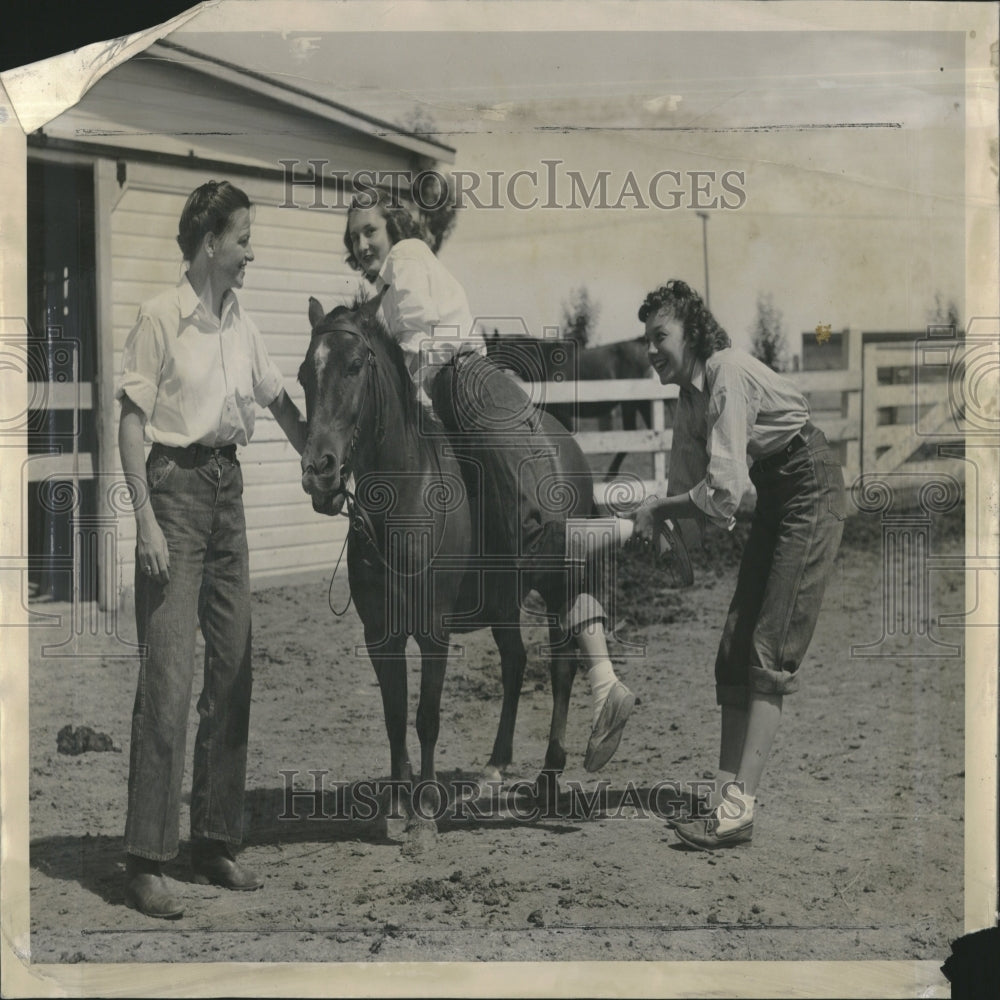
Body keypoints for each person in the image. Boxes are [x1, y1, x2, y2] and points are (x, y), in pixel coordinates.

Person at [343, 190, 635, 771]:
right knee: (491, 508)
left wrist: (375, 342)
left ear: (392, 227)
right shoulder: (396, 278)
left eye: (368, 231)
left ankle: (610, 538)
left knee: (522, 495)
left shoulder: (406, 258)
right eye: (353, 239)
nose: (361, 244)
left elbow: (416, 340)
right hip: (452, 393)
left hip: (466, 383)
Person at [117, 180, 307, 918]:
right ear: (210, 245)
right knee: (168, 678)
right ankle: (144, 859)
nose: (251, 253)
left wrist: (315, 455)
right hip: (173, 494)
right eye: (244, 239)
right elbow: (131, 426)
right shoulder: (159, 319)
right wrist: (146, 524)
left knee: (232, 672)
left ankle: (214, 840)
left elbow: (279, 400)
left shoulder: (243, 325)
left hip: (229, 498)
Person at [631, 280, 845, 850]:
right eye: (645, 339)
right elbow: (690, 499)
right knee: (731, 650)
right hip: (779, 497)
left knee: (767, 650)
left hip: (811, 489)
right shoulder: (689, 399)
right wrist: (669, 535)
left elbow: (723, 493)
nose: (650, 350)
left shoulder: (724, 371)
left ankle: (738, 809)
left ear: (691, 332)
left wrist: (659, 512)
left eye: (661, 336)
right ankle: (722, 802)